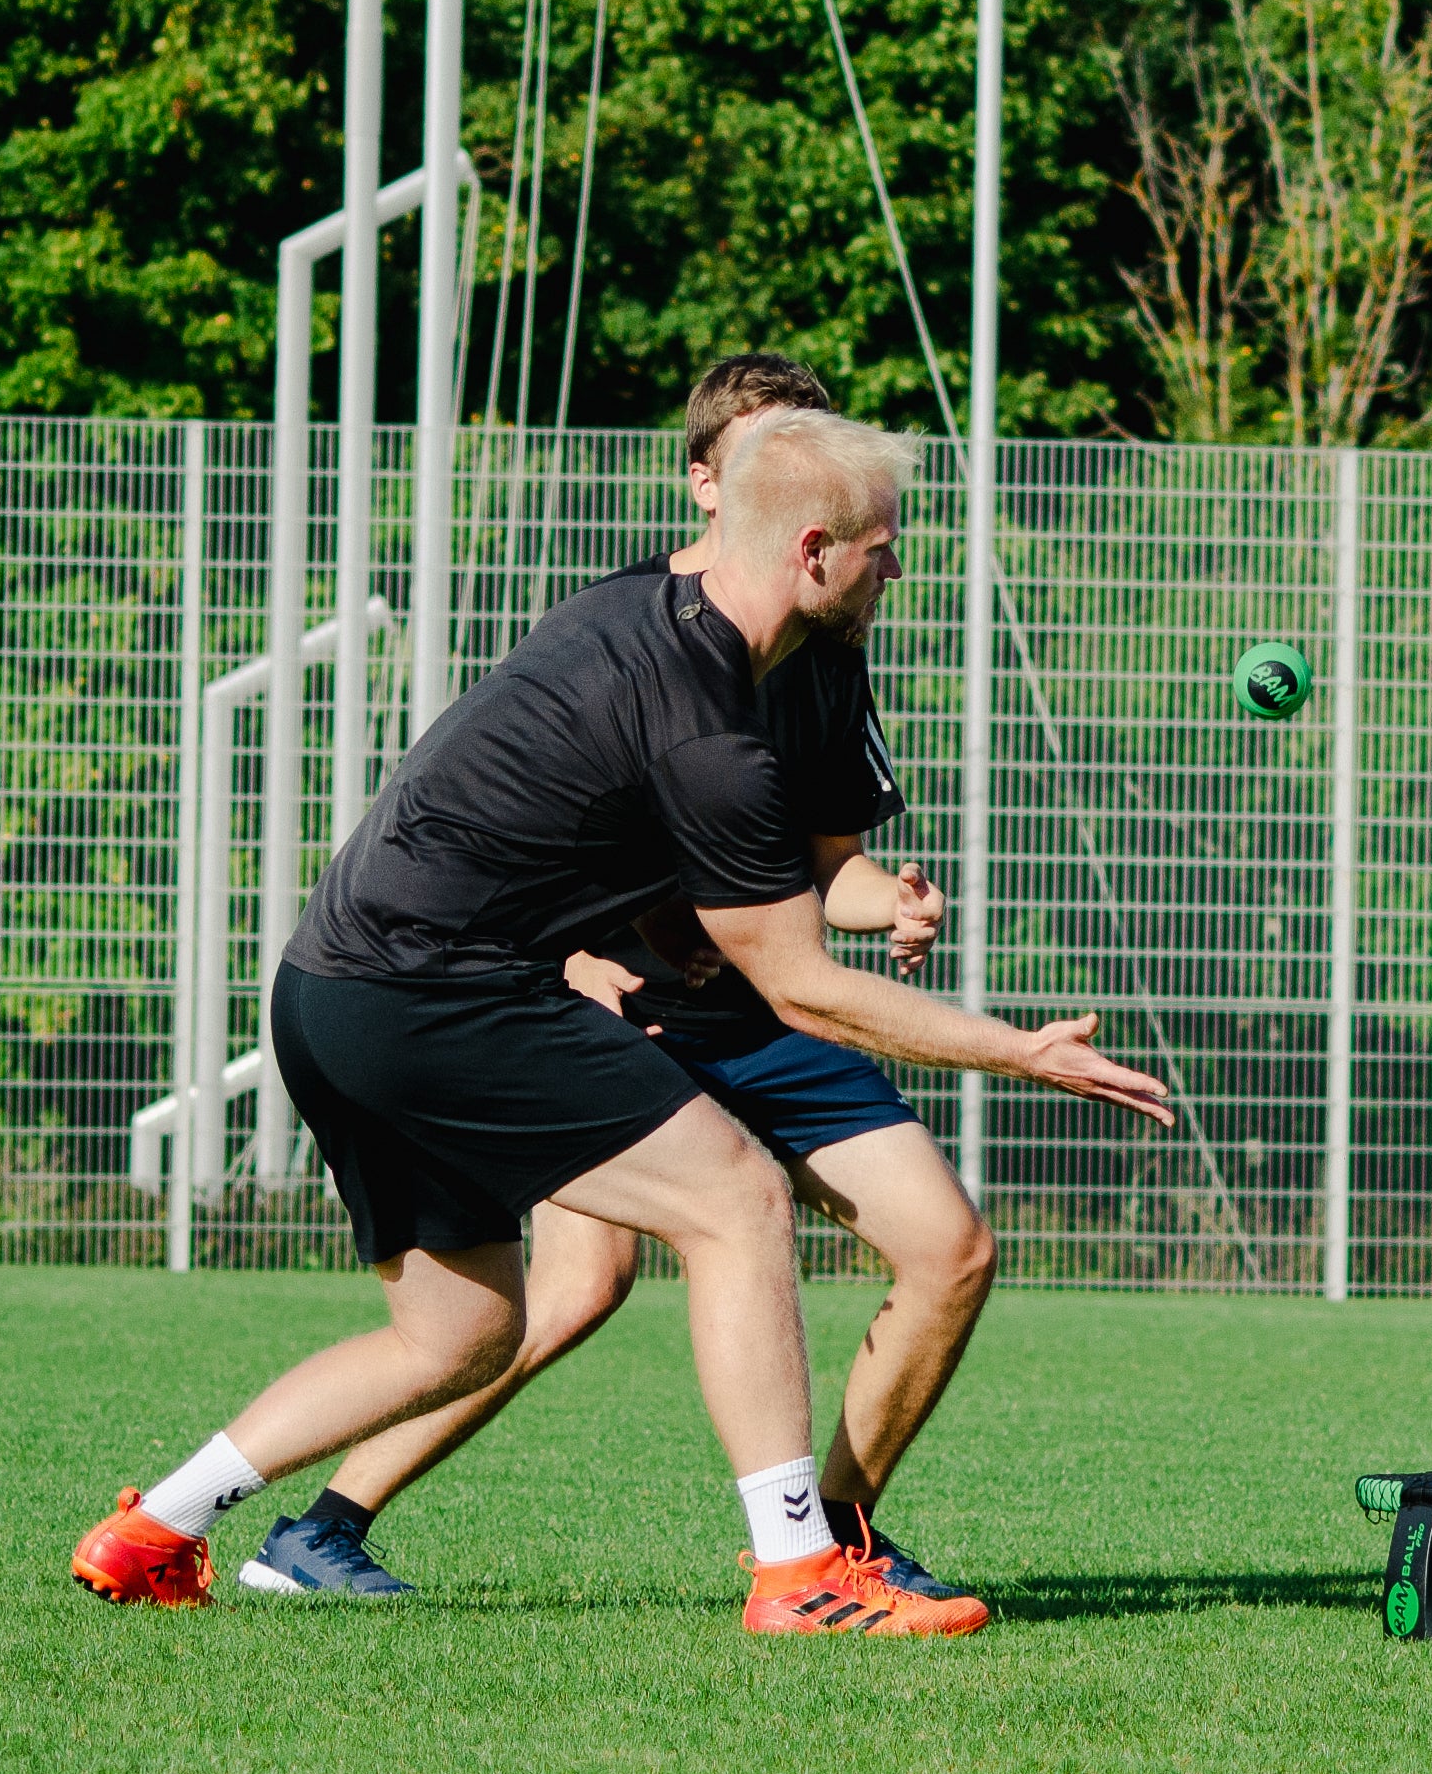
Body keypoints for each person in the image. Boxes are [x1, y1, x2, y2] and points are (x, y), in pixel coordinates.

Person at [67, 408, 1172, 1634]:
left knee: (461, 1333)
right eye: (882, 547)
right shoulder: (707, 728)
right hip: (438, 991)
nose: (896, 568)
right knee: (736, 1200)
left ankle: (155, 1526)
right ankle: (800, 1576)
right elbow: (799, 985)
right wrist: (1016, 1048)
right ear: (812, 551)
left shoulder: (645, 610)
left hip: (330, 991)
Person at [241, 357, 1004, 1611]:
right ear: (712, 484)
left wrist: (892, 902)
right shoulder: (629, 630)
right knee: (575, 1289)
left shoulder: (822, 645)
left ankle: (834, 1541)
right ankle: (322, 1526)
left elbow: (824, 875)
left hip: (761, 1011)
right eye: (753, 453)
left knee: (950, 1247)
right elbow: (515, 843)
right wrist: (570, 964)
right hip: (611, 1013)